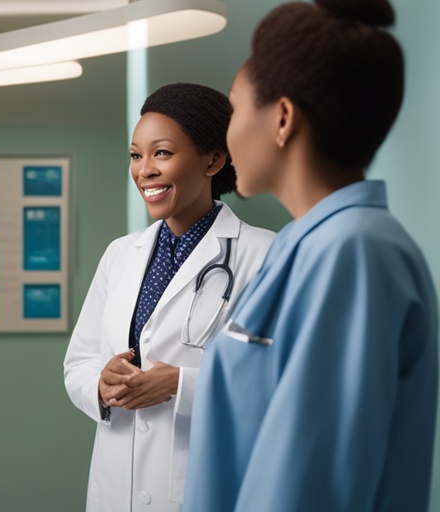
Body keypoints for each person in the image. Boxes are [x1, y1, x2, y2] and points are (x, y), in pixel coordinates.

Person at [182, 1, 438, 510]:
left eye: (234, 110)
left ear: (281, 118)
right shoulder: (307, 247)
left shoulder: (355, 253)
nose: (227, 136)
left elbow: (307, 483)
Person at [64, 83, 275, 512]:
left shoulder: (265, 254)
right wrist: (101, 385)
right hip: (113, 487)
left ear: (213, 160)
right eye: (136, 155)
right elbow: (79, 362)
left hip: (202, 486)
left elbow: (277, 378)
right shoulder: (121, 254)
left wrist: (180, 384)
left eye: (162, 153)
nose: (145, 170)